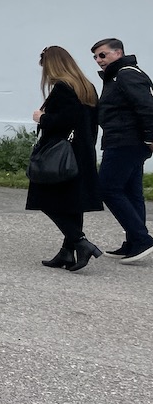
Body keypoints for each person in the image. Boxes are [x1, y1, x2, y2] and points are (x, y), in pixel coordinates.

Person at [27, 46, 104, 270]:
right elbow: (89, 123)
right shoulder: (86, 86)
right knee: (73, 203)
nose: (46, 74)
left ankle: (81, 243)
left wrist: (42, 118)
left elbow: (63, 121)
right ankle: (66, 253)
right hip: (81, 153)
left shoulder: (63, 88)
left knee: (44, 198)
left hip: (60, 154)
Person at [91, 37, 153, 262]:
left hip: (126, 141)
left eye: (102, 55)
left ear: (118, 53)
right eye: (96, 57)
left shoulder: (127, 74)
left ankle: (142, 239)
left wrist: (150, 136)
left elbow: (146, 106)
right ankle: (134, 242)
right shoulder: (117, 76)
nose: (98, 60)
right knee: (130, 191)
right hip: (125, 140)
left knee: (108, 188)